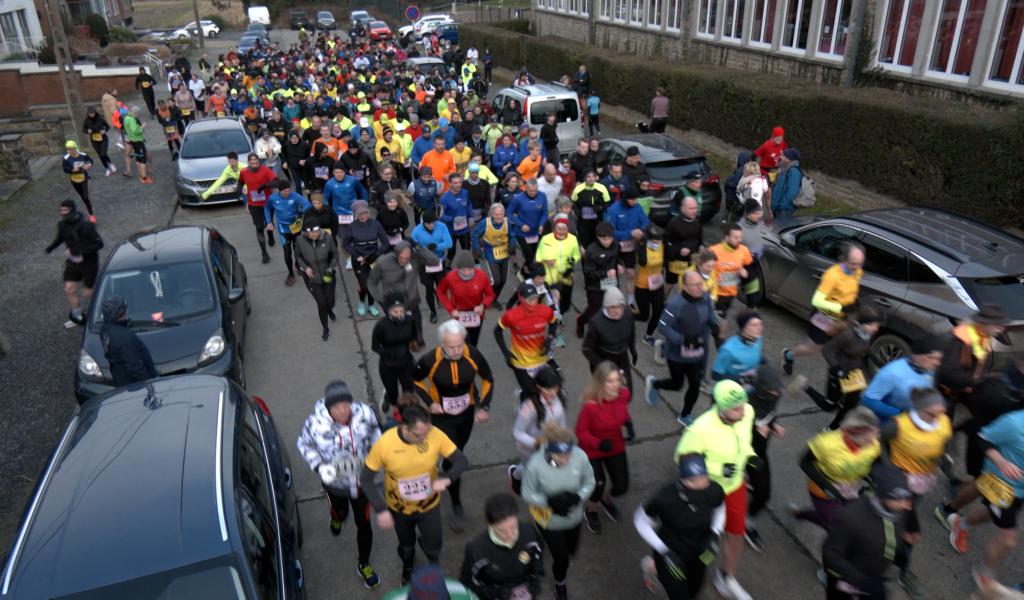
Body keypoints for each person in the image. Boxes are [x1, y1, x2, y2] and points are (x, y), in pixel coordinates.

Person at [360, 404, 469, 585]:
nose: (426, 437)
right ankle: (408, 567)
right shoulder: (385, 443)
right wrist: (381, 510)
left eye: (427, 432)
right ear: (405, 428)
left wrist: (447, 479)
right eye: (420, 434)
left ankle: (434, 567)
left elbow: (461, 461)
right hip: (399, 509)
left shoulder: (434, 434)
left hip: (429, 505)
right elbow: (365, 479)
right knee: (406, 547)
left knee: (434, 546)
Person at [674, 380, 756, 600]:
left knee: (736, 535)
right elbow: (682, 459)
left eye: (742, 404)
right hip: (706, 490)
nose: (741, 410)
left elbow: (745, 439)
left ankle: (726, 577)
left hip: (735, 487)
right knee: (698, 539)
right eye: (734, 407)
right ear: (719, 407)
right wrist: (718, 468)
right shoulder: (700, 429)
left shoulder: (747, 411)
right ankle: (664, 565)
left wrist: (750, 456)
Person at [296, 381, 382, 589]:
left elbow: (377, 438)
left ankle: (364, 564)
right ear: (328, 407)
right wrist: (319, 467)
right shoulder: (316, 423)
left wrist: (377, 459)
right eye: (336, 407)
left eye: (346, 405)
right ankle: (336, 516)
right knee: (341, 512)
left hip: (362, 483)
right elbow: (303, 444)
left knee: (364, 524)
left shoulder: (366, 414)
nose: (342, 411)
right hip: (334, 483)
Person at [413, 320, 494, 532]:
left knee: (459, 450)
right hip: (442, 418)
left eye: (460, 344)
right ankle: (456, 503)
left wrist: (484, 406)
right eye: (451, 346)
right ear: (442, 343)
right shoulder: (431, 359)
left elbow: (488, 378)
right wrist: (429, 402)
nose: (457, 350)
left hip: (465, 414)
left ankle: (447, 468)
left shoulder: (473, 354)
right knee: (456, 458)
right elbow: (415, 381)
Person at [881, 387, 954, 598]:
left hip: (923, 482)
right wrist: (890, 472)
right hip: (900, 484)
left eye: (941, 413)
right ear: (918, 408)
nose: (937, 418)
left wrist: (946, 460)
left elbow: (944, 443)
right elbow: (882, 444)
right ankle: (903, 572)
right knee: (909, 532)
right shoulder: (897, 425)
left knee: (902, 524)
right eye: (932, 414)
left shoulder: (943, 423)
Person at [943, 407, 1024, 590]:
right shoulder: (1014, 423)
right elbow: (982, 437)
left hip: (1019, 490)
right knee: (1008, 538)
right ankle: (984, 575)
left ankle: (960, 524)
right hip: (1003, 486)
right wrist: (1001, 461)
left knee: (989, 512)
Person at [634, 453, 726, 600]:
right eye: (697, 480)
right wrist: (664, 552)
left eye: (705, 476)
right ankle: (657, 567)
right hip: (671, 554)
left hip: (700, 552)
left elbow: (720, 508)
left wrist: (715, 533)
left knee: (694, 592)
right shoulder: (665, 498)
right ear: (684, 479)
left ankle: (653, 567)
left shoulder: (714, 490)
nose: (704, 482)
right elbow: (640, 521)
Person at [520, 424, 596, 600]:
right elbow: (527, 493)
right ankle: (560, 584)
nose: (565, 459)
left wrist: (578, 497)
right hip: (548, 520)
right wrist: (549, 501)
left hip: (574, 517)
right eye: (559, 455)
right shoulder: (535, 464)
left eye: (568, 454)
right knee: (561, 559)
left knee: (571, 551)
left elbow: (590, 482)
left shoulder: (580, 457)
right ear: (549, 449)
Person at [822, 463, 914, 600]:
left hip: (874, 577)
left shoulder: (898, 511)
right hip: (845, 579)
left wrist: (900, 554)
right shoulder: (851, 516)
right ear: (882, 495)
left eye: (907, 497)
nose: (906, 504)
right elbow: (830, 553)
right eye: (898, 499)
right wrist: (862, 581)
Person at [645, 270, 720, 423]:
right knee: (677, 384)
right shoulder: (675, 304)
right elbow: (663, 326)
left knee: (695, 384)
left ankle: (685, 414)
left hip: (698, 353)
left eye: (701, 283)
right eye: (695, 285)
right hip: (677, 355)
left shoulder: (705, 297)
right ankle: (655, 384)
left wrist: (715, 326)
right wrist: (682, 340)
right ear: (685, 287)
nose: (700, 287)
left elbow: (710, 314)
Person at [782, 241, 865, 375]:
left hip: (843, 319)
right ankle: (789, 355)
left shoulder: (857, 272)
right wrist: (840, 307)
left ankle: (838, 375)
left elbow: (852, 288)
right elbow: (816, 300)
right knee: (814, 348)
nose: (857, 267)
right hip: (825, 317)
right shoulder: (832, 275)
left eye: (860, 264)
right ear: (843, 259)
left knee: (841, 346)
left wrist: (853, 303)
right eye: (853, 263)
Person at [792, 407, 881, 531]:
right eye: (867, 438)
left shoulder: (874, 444)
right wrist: (830, 490)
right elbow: (804, 463)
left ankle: (799, 514)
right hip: (823, 489)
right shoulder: (826, 443)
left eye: (875, 435)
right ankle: (799, 514)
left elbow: (873, 463)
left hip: (851, 488)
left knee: (847, 521)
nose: (872, 442)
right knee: (835, 525)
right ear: (852, 432)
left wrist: (875, 478)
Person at [576, 361, 634, 535]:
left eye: (617, 379)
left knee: (622, 486)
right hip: (592, 449)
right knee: (597, 484)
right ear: (600, 382)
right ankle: (591, 510)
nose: (615, 385)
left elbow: (622, 411)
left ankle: (605, 498)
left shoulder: (624, 394)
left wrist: (628, 423)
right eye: (610, 381)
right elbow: (580, 432)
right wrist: (598, 443)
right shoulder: (590, 406)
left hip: (615, 445)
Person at [805, 307, 882, 430]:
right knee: (829, 406)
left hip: (854, 373)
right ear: (862, 323)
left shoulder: (867, 334)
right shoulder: (847, 335)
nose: (876, 328)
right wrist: (837, 369)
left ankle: (832, 428)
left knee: (851, 404)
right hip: (839, 373)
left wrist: (878, 361)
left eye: (877, 325)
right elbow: (827, 350)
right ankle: (804, 386)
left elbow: (865, 348)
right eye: (872, 325)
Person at [459, 493, 544, 599]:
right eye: (502, 531)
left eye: (513, 527)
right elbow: (467, 582)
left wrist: (537, 577)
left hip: (527, 591)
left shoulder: (529, 531)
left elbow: (538, 555)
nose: (509, 535)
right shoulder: (476, 549)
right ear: (490, 524)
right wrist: (498, 593)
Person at [936, 304, 1008, 419]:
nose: (1002, 328)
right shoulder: (960, 341)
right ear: (985, 323)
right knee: (942, 422)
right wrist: (979, 379)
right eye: (998, 325)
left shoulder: (983, 335)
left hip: (965, 388)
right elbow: (948, 373)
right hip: (947, 391)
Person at [495, 282, 559, 402]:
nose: (533, 303)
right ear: (521, 299)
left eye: (535, 298)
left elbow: (553, 323)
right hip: (520, 362)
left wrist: (549, 339)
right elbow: (497, 332)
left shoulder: (545, 311)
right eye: (530, 300)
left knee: (541, 389)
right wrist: (506, 353)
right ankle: (523, 399)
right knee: (531, 392)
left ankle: (525, 396)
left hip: (540, 359)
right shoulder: (511, 316)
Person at [45, 199, 103, 326]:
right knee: (69, 289)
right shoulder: (62, 225)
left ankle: (105, 308)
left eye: (66, 210)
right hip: (73, 262)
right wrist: (50, 247)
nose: (63, 213)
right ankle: (77, 316)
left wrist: (82, 252)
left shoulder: (86, 225)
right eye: (61, 211)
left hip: (89, 263)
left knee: (87, 293)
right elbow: (60, 238)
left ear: (72, 210)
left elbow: (99, 244)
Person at [861, 335, 943, 424]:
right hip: (889, 423)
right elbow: (868, 400)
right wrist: (900, 414)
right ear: (916, 355)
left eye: (939, 358)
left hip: (916, 419)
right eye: (930, 357)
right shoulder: (892, 372)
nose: (937, 363)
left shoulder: (929, 370)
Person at [510, 366, 567, 491]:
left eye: (555, 388)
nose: (553, 392)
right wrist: (534, 442)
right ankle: (515, 475)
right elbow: (517, 431)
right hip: (529, 448)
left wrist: (562, 438)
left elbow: (562, 421)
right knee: (528, 468)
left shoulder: (559, 398)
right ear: (538, 387)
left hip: (550, 444)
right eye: (548, 389)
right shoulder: (529, 407)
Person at [368, 240, 438, 340]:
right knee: (396, 336)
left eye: (407, 258)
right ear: (396, 254)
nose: (404, 260)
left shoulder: (415, 258)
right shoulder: (382, 262)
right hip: (393, 306)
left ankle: (417, 340)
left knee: (417, 335)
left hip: (412, 302)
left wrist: (419, 247)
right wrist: (381, 300)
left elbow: (434, 261)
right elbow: (372, 282)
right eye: (401, 257)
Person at [583, 286, 638, 396]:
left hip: (622, 358)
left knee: (627, 393)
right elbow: (587, 349)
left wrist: (633, 350)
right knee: (606, 395)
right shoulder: (596, 323)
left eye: (620, 306)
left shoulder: (627, 313)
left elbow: (631, 333)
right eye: (613, 307)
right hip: (603, 359)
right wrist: (602, 366)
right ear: (606, 307)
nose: (618, 311)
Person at [534, 214, 580, 344]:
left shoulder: (572, 239)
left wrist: (572, 260)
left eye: (564, 229)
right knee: (556, 306)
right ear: (554, 228)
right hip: (551, 279)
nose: (561, 232)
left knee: (565, 305)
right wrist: (545, 261)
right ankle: (555, 333)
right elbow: (538, 257)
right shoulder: (546, 239)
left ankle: (558, 320)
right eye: (559, 229)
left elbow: (576, 255)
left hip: (566, 277)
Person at [371, 292, 420, 412]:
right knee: (393, 395)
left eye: (401, 311)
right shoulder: (381, 325)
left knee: (408, 393)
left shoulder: (410, 320)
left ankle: (406, 415)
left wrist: (416, 343)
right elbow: (375, 346)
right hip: (388, 365)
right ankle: (389, 396)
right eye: (395, 312)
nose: (399, 315)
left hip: (406, 362)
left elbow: (414, 335)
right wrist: (386, 354)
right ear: (388, 311)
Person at [436, 252, 496, 347]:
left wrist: (482, 306)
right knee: (463, 341)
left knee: (474, 341)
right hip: (458, 314)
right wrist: (450, 309)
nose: (467, 272)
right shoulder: (450, 277)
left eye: (470, 269)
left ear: (474, 267)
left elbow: (490, 294)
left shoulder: (482, 276)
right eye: (463, 270)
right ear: (458, 268)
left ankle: (470, 356)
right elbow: (440, 291)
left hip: (477, 314)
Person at [98, 295, 158, 388]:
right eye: (125, 308)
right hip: (133, 384)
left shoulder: (105, 329)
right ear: (121, 312)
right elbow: (136, 368)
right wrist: (149, 385)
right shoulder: (125, 336)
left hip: (119, 376)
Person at [604, 186, 649, 311]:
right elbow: (610, 232)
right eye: (632, 200)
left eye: (636, 199)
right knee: (613, 276)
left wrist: (640, 230)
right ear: (625, 198)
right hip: (615, 246)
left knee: (631, 273)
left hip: (630, 246)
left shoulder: (637, 207)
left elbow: (645, 221)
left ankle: (630, 302)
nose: (635, 202)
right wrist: (630, 233)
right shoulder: (613, 210)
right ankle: (612, 300)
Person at [343, 200, 389, 317]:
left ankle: (372, 305)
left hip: (373, 259)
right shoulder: (351, 227)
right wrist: (357, 256)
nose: (363, 216)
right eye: (359, 214)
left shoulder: (376, 224)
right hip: (359, 260)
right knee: (364, 284)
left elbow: (385, 242)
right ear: (355, 215)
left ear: (368, 212)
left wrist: (377, 253)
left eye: (364, 213)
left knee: (372, 283)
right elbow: (346, 244)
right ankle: (362, 302)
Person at [295, 223, 340, 340]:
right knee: (321, 303)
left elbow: (335, 254)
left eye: (316, 231)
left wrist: (331, 267)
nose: (314, 234)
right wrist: (305, 267)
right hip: (312, 279)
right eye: (311, 232)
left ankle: (330, 309)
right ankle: (325, 328)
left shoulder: (328, 238)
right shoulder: (300, 240)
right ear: (306, 232)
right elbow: (298, 257)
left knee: (330, 302)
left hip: (328, 275)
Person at [577, 221, 621, 337]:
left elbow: (618, 257)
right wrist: (606, 273)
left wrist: (620, 264)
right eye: (604, 239)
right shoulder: (591, 251)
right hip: (595, 286)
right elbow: (588, 272)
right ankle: (580, 321)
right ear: (597, 237)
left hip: (612, 282)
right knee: (594, 309)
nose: (607, 242)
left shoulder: (615, 244)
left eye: (609, 238)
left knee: (613, 304)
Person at [411, 210, 453, 324]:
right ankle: (433, 312)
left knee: (441, 286)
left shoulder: (442, 226)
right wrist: (423, 250)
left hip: (439, 262)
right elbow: (412, 248)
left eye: (433, 222)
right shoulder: (416, 231)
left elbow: (449, 243)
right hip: (425, 265)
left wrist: (437, 246)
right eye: (428, 223)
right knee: (429, 289)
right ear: (423, 223)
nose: (431, 225)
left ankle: (439, 295)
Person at [264, 179, 307, 286]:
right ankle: (291, 274)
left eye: (288, 190)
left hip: (296, 228)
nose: (287, 193)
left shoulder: (295, 196)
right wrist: (269, 222)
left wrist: (300, 212)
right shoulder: (273, 198)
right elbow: (267, 209)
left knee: (297, 249)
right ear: (280, 191)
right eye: (285, 191)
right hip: (283, 229)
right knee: (287, 253)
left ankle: (298, 265)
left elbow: (308, 205)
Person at [238, 152, 279, 263]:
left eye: (256, 162)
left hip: (267, 203)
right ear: (249, 162)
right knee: (259, 227)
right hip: (254, 204)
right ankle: (264, 253)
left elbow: (276, 181)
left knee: (269, 223)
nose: (255, 164)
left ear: (259, 162)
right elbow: (240, 182)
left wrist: (265, 186)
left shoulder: (265, 170)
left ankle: (270, 235)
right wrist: (239, 192)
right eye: (252, 162)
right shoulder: (244, 172)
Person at [709, 224, 753, 320]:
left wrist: (746, 273)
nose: (739, 240)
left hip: (731, 294)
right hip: (715, 293)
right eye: (735, 237)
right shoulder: (713, 251)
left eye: (740, 237)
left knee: (719, 317)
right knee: (718, 318)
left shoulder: (744, 250)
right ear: (727, 237)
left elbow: (750, 269)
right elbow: (702, 270)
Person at [471, 202, 513, 303]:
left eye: (501, 214)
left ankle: (494, 298)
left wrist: (512, 245)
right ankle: (487, 296)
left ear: (504, 214)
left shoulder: (508, 222)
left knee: (503, 280)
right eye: (496, 214)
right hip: (490, 252)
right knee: (496, 280)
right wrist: (477, 249)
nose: (499, 217)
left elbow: (512, 235)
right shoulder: (485, 223)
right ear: (492, 214)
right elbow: (474, 234)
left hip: (504, 252)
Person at [711, 311, 764, 390]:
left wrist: (766, 364)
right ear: (744, 328)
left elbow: (755, 354)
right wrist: (741, 379)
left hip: (748, 392)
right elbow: (715, 375)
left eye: (760, 324)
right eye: (754, 325)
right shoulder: (729, 350)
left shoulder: (758, 339)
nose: (759, 328)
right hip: (729, 393)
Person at [634, 224, 666, 345]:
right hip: (642, 286)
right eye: (655, 241)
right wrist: (642, 243)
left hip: (657, 284)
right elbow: (642, 262)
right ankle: (625, 314)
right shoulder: (642, 246)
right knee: (644, 315)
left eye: (660, 241)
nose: (658, 243)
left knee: (657, 312)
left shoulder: (662, 245)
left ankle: (648, 336)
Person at [663, 196, 703, 289]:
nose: (694, 211)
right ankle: (663, 301)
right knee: (670, 283)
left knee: (690, 284)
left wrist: (701, 247)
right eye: (691, 208)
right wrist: (678, 250)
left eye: (695, 208)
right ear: (683, 209)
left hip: (692, 261)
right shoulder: (674, 223)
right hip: (676, 262)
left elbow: (700, 239)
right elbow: (666, 241)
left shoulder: (697, 222)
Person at [507, 179, 549, 265]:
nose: (533, 193)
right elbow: (509, 213)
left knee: (532, 255)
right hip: (522, 233)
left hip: (536, 232)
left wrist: (541, 225)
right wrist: (521, 225)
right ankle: (528, 275)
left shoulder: (542, 196)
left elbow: (545, 213)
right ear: (526, 189)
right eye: (530, 191)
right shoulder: (518, 198)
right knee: (528, 256)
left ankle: (525, 273)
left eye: (535, 190)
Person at [570, 169, 611, 250]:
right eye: (588, 177)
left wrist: (601, 207)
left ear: (596, 177)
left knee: (597, 244)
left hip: (597, 221)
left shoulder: (602, 188)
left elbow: (608, 203)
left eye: (593, 176)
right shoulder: (578, 189)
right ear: (584, 178)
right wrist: (577, 211)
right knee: (585, 245)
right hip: (583, 222)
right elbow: (572, 203)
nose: (591, 178)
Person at [439, 173, 473, 260]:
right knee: (451, 253)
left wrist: (471, 216)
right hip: (451, 231)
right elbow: (440, 216)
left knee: (466, 252)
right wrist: (453, 219)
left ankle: (467, 269)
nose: (458, 185)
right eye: (455, 183)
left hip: (464, 230)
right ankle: (448, 268)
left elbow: (468, 204)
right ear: (450, 183)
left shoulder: (465, 193)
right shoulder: (444, 198)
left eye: (459, 182)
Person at [62, 141, 95, 219]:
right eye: (68, 149)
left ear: (75, 148)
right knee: (83, 197)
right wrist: (73, 170)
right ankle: (88, 206)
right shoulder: (66, 158)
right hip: (74, 180)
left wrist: (89, 165)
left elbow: (90, 161)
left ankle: (91, 215)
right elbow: (65, 170)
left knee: (86, 197)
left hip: (84, 177)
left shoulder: (83, 155)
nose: (69, 151)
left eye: (71, 149)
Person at [122, 106, 153, 184]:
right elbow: (135, 130)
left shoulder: (126, 117)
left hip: (132, 141)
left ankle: (141, 175)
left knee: (138, 158)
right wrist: (142, 127)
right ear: (135, 113)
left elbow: (127, 129)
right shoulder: (132, 119)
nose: (138, 116)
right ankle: (144, 177)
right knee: (143, 160)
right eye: (137, 114)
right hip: (138, 141)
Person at [771, 148, 803, 220]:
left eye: (782, 155)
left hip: (784, 210)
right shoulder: (785, 169)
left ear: (788, 159)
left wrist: (782, 205)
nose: (780, 157)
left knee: (781, 229)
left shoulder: (794, 171)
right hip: (777, 208)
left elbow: (792, 192)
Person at [82, 106, 115, 176]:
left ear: (95, 112)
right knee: (100, 155)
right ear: (88, 113)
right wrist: (88, 131)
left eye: (93, 113)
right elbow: (84, 129)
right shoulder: (86, 120)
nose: (92, 114)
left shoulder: (100, 118)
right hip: (94, 140)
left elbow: (107, 127)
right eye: (90, 113)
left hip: (103, 139)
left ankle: (110, 164)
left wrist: (104, 130)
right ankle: (107, 168)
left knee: (104, 154)